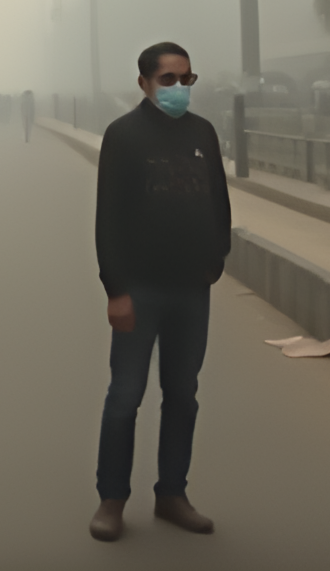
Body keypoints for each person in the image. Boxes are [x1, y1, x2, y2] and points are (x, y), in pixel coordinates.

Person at [89, 42, 231, 543]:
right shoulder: (123, 136)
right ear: (145, 83)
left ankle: (172, 493)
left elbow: (219, 201)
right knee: (125, 396)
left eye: (185, 80)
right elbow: (109, 219)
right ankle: (112, 499)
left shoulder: (203, 134)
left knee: (184, 395)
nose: (177, 89)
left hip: (192, 291)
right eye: (167, 80)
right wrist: (116, 289)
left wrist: (217, 259)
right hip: (140, 290)